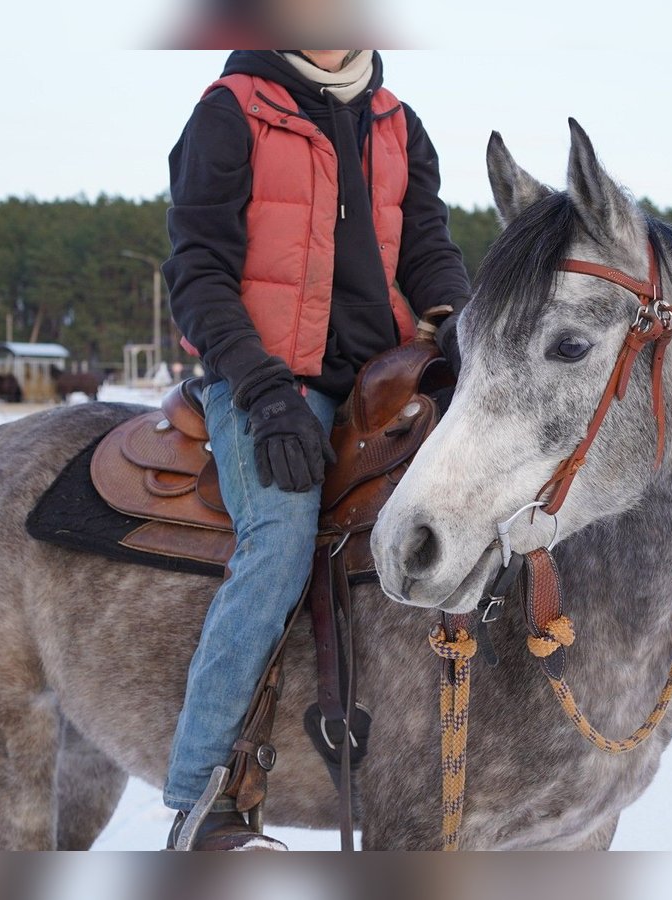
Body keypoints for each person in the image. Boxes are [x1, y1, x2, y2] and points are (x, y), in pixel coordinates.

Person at [161, 49, 469, 850]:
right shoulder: (232, 110)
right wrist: (263, 393)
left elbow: (428, 249)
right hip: (260, 377)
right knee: (281, 540)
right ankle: (207, 797)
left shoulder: (400, 122)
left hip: (384, 376)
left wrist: (461, 323)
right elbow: (197, 271)